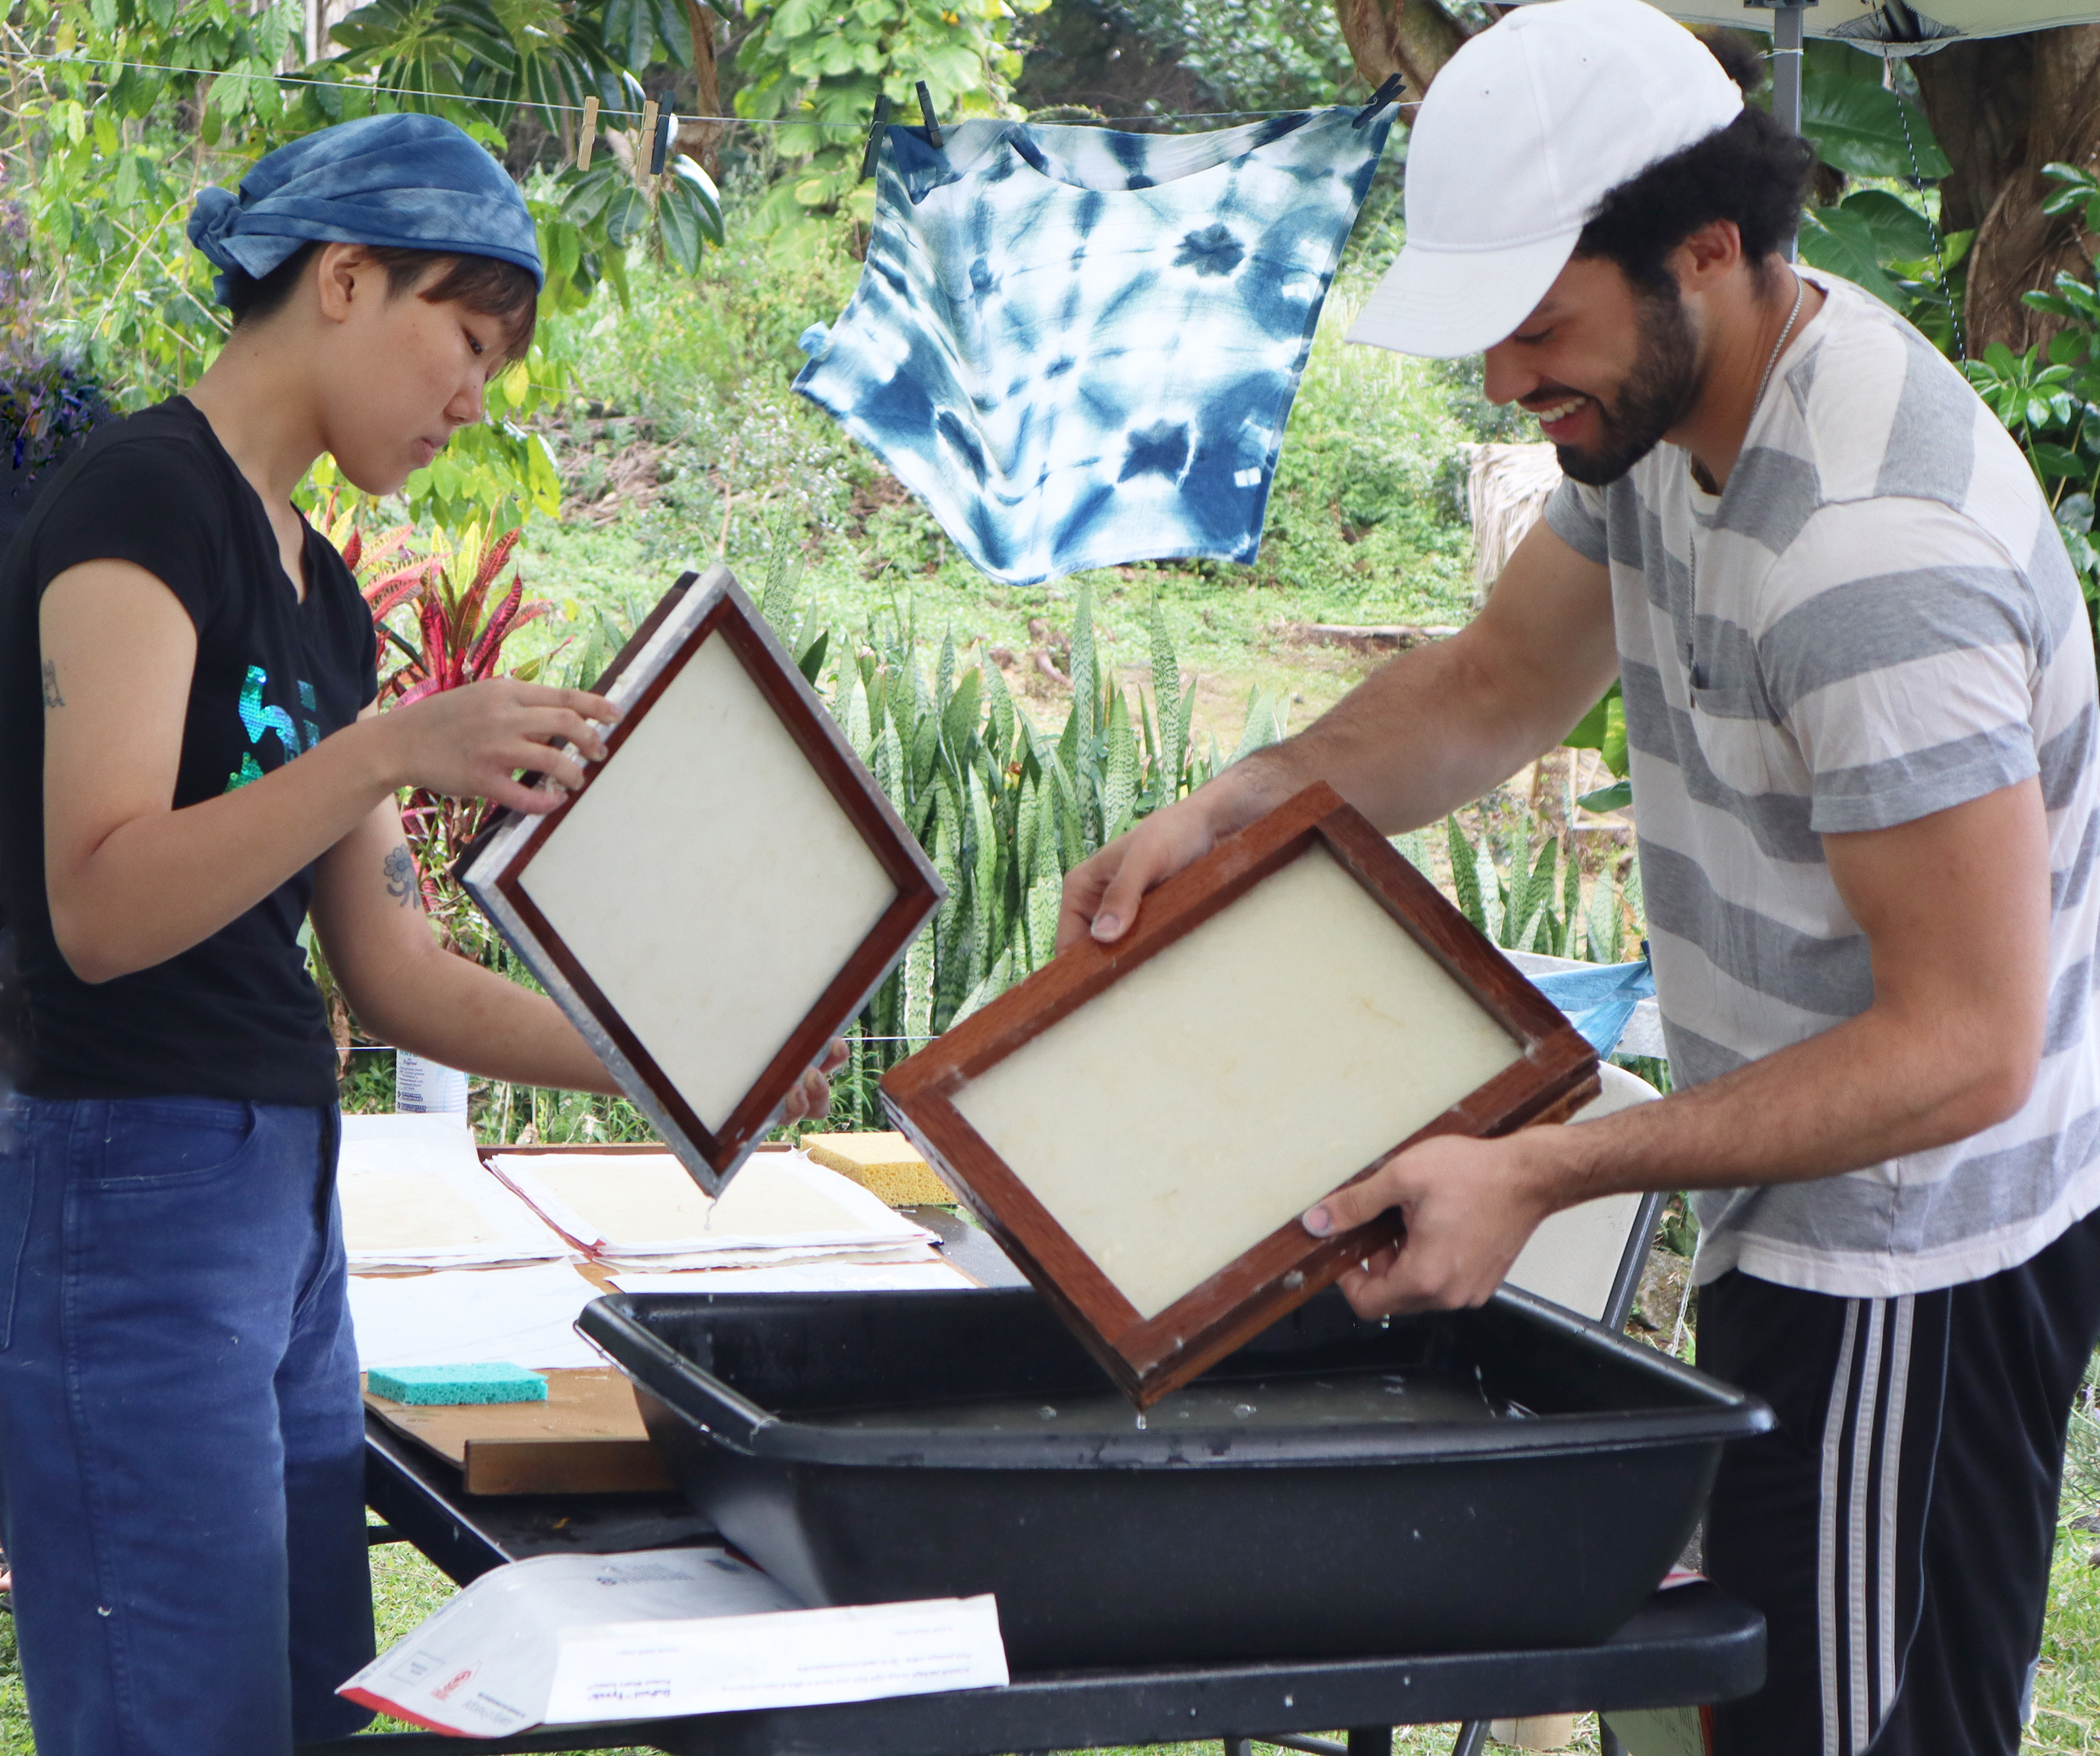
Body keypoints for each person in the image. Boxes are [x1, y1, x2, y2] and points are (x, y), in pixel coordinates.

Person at [1060, 5, 2100, 1752]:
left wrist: (1541, 1166)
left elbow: (1961, 1047)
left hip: (1912, 1269)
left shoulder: (1867, 559)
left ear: (1708, 243)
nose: (1503, 382)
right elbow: (1487, 689)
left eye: (1537, 326)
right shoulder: (1665, 415)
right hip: (1801, 1209)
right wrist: (1234, 807)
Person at [0, 113, 840, 1753]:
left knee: (309, 1700)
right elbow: (97, 904)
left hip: (275, 1200)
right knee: (186, 1717)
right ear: (343, 278)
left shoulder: (316, 590)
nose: (475, 394)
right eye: (465, 337)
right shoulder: (138, 502)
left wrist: (680, 1063)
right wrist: (386, 750)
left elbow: (392, 971)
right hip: (126, 1181)